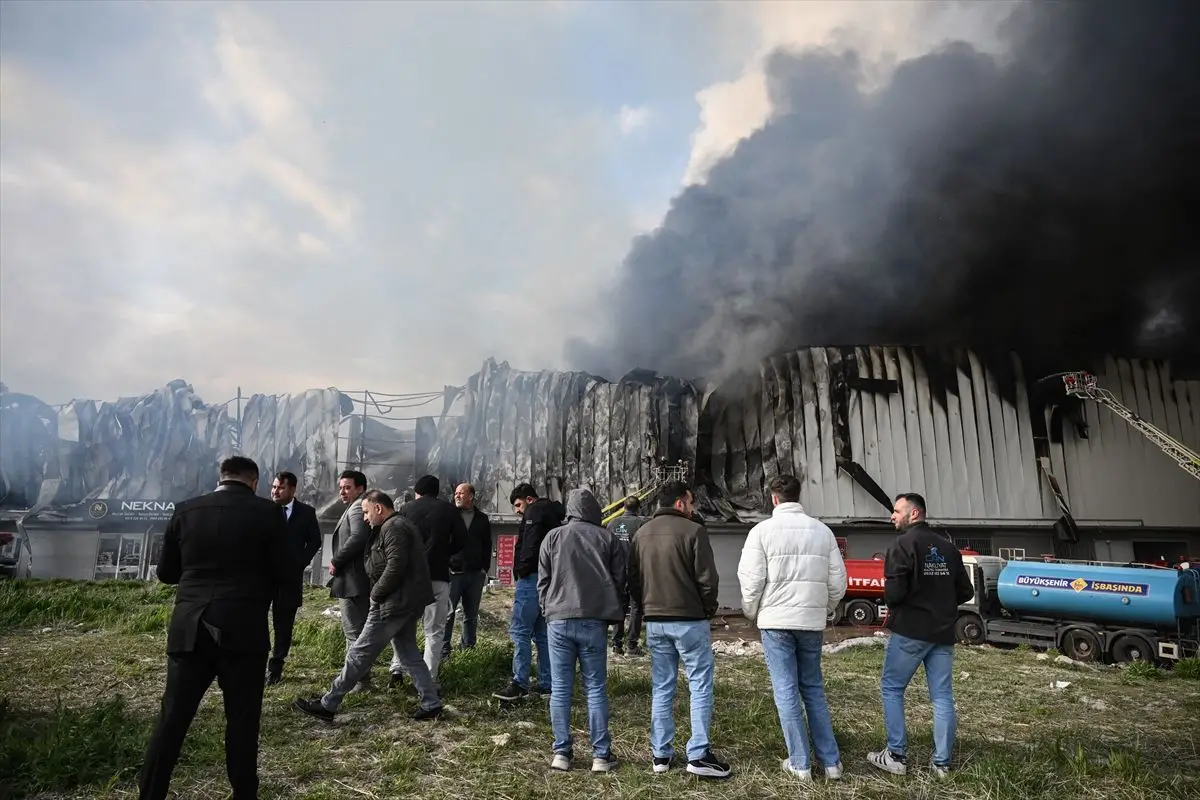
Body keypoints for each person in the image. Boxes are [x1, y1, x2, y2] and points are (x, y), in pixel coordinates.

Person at [138, 456, 290, 800]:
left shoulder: (185, 510)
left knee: (172, 720)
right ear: (254, 482)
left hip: (189, 627)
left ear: (221, 478)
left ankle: (150, 794)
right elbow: (284, 570)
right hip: (244, 628)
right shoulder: (269, 513)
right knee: (242, 722)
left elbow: (166, 573)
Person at [294, 490, 443, 722]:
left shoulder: (394, 527)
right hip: (403, 602)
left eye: (366, 512)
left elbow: (396, 565)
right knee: (409, 654)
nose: (364, 518)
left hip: (392, 602)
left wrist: (376, 594)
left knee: (359, 652)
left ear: (378, 508)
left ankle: (328, 704)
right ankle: (431, 703)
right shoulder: (396, 525)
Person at [736, 474, 848, 780]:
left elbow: (751, 580)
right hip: (810, 623)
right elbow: (838, 582)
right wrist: (822, 609)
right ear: (799, 496)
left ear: (773, 498)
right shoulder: (823, 532)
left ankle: (800, 763)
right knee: (813, 688)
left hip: (775, 622)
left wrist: (752, 612)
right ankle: (831, 763)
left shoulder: (761, 532)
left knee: (786, 690)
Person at [629, 481, 731, 779]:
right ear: (679, 503)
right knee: (699, 684)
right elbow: (708, 579)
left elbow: (633, 579)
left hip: (655, 621)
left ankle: (660, 754)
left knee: (662, 686)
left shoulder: (641, 534)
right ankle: (698, 754)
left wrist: (645, 607)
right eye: (691, 502)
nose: (693, 507)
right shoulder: (694, 531)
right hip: (689, 620)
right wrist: (707, 610)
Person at [868, 492, 973, 778]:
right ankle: (941, 764)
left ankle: (896, 756)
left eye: (896, 510)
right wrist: (940, 601)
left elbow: (893, 595)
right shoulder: (948, 548)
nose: (892, 515)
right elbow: (966, 591)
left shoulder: (901, 545)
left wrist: (913, 601)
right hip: (942, 633)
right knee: (942, 696)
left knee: (892, 688)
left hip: (911, 632)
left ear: (914, 513)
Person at [538, 488, 626, 772]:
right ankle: (601, 756)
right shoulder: (608, 538)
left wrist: (548, 608)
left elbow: (543, 580)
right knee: (596, 688)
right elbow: (619, 579)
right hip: (594, 619)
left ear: (570, 510)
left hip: (558, 619)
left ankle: (561, 753)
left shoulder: (553, 537)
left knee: (560, 688)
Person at [390, 474, 466, 688]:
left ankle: (397, 670)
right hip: (438, 576)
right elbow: (462, 540)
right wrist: (444, 554)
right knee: (434, 630)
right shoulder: (449, 510)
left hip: (410, 577)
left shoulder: (406, 509)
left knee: (404, 626)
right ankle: (429, 678)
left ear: (417, 492)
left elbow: (396, 540)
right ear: (437, 491)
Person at [493, 483, 564, 701]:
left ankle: (519, 682)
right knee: (542, 634)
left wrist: (521, 570)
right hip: (549, 579)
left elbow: (530, 545)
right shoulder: (552, 515)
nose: (517, 510)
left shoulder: (534, 512)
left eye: (518, 505)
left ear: (529, 499)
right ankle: (547, 684)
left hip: (531, 578)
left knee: (520, 631)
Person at [266, 470, 323, 685]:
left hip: (290, 579)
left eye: (281, 487)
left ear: (292, 489)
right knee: (256, 621)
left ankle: (276, 667)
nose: (275, 491)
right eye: (274, 487)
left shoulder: (306, 513)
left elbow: (315, 541)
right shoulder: (264, 510)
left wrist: (300, 562)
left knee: (284, 625)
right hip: (263, 577)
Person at [328, 470, 373, 691]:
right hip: (353, 579)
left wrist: (337, 560)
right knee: (356, 631)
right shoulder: (355, 507)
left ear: (360, 489)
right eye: (341, 488)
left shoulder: (356, 508)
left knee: (354, 632)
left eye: (347, 487)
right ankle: (356, 678)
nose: (342, 492)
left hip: (353, 580)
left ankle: (359, 680)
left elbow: (358, 537)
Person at [442, 482, 493, 660]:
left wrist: (484, 569)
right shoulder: (449, 515)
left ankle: (468, 649)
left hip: (475, 574)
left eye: (461, 493)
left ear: (471, 496)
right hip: (453, 572)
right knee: (448, 613)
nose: (456, 496)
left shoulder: (482, 519)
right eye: (456, 493)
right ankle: (444, 651)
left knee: (471, 615)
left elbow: (487, 545)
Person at [606, 495, 648, 656]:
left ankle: (616, 645)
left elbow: (607, 547)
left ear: (624, 507)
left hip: (616, 571)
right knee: (636, 607)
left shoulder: (612, 523)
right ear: (638, 508)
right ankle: (632, 645)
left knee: (619, 606)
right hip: (635, 571)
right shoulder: (641, 524)